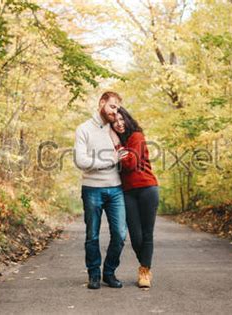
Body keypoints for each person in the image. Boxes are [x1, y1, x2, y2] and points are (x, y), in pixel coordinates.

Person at [73, 91, 128, 290]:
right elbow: (81, 161)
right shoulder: (83, 129)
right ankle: (94, 274)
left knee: (120, 234)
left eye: (118, 109)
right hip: (92, 189)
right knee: (92, 235)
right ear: (102, 103)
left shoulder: (115, 129)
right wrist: (110, 161)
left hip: (116, 190)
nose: (115, 112)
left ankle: (109, 272)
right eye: (112, 107)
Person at [109, 106, 159, 288]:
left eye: (122, 120)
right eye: (115, 122)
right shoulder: (118, 143)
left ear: (128, 119)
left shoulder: (136, 137)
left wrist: (117, 146)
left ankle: (144, 271)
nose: (119, 124)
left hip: (147, 188)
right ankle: (146, 265)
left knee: (147, 234)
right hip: (128, 192)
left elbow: (130, 163)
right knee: (136, 236)